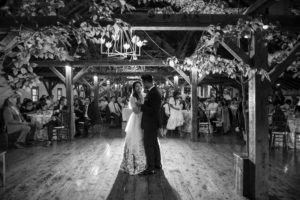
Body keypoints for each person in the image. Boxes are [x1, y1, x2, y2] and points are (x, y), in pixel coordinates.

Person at [136, 74, 162, 175]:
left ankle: (150, 168)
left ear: (147, 82)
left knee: (149, 145)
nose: (142, 84)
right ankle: (157, 164)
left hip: (151, 123)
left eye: (142, 82)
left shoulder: (154, 93)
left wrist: (141, 106)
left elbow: (154, 110)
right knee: (154, 144)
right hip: (151, 123)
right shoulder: (152, 92)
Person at [120, 81, 147, 175]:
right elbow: (135, 111)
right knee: (135, 139)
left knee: (144, 140)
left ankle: (145, 162)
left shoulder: (144, 95)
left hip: (144, 118)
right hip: (136, 120)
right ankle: (134, 163)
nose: (138, 88)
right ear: (134, 88)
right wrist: (141, 103)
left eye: (140, 86)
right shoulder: (133, 98)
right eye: (136, 86)